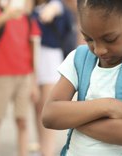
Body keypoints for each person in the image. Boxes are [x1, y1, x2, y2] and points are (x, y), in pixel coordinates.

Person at [41, 0, 122, 156]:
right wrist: (107, 106)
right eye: (88, 39)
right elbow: (49, 115)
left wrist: (73, 119)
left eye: (110, 39)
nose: (99, 50)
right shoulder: (79, 58)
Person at [0, 0, 41, 155]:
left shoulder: (27, 18)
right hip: (0, 75)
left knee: (22, 121)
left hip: (24, 75)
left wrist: (33, 82)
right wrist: (5, 16)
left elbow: (33, 51)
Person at [31, 0, 73, 155]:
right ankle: (42, 148)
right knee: (36, 106)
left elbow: (48, 14)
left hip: (49, 58)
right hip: (34, 56)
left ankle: (47, 151)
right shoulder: (33, 7)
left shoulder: (56, 5)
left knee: (46, 107)